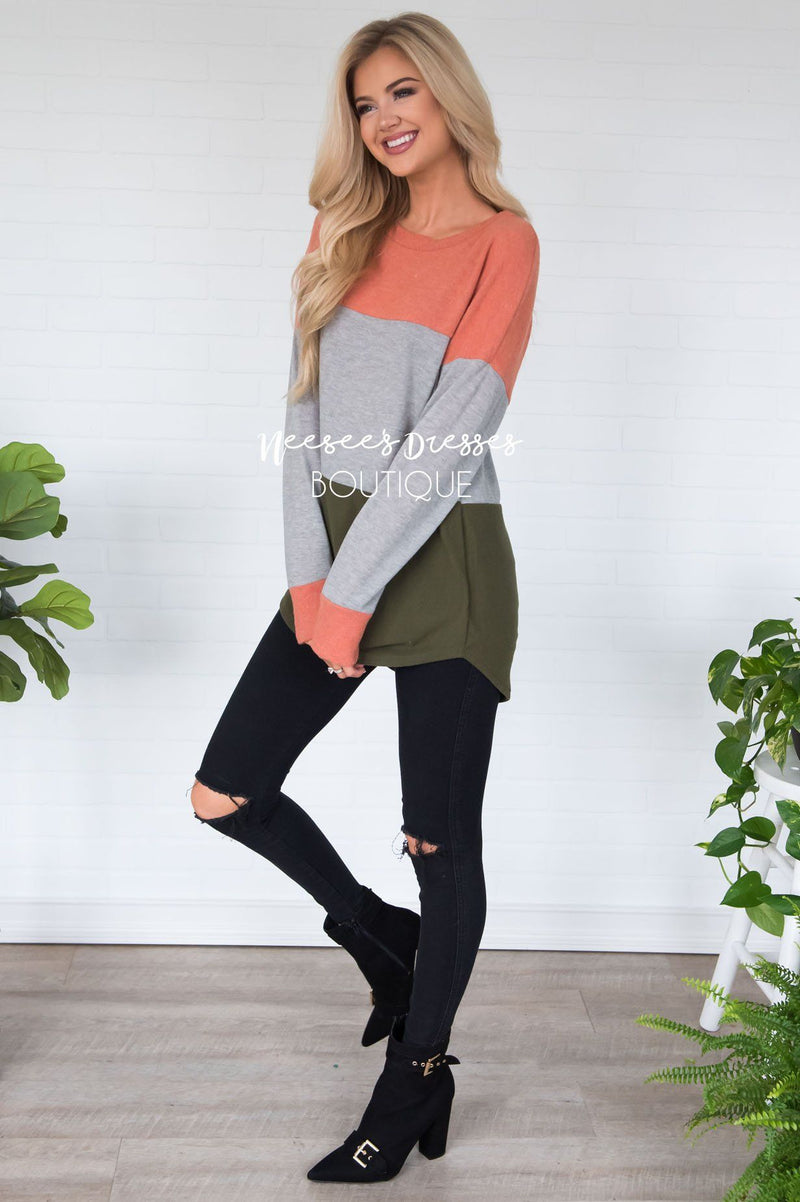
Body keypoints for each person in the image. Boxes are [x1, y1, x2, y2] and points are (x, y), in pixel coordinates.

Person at [188, 11, 540, 1184]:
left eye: (402, 92)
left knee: (438, 840)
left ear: (446, 97)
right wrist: (311, 582)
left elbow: (449, 438)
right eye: (362, 102)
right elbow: (298, 412)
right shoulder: (340, 226)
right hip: (333, 556)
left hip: (444, 559)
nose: (383, 118)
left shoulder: (505, 241)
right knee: (224, 789)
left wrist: (348, 592)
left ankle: (415, 1075)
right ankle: (383, 940)